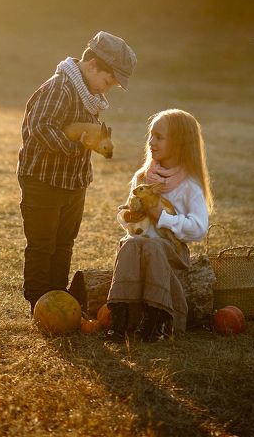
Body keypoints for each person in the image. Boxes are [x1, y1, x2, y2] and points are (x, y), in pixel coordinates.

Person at [17, 31, 137, 314]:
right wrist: (75, 148)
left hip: (73, 182)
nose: (106, 89)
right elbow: (41, 127)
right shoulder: (60, 88)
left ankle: (58, 297)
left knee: (64, 241)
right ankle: (39, 302)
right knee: (42, 243)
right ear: (93, 65)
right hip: (43, 180)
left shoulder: (89, 96)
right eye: (108, 81)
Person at [107, 108, 213, 341]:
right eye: (150, 135)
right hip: (142, 248)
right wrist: (128, 218)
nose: (151, 141)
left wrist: (161, 217)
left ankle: (159, 319)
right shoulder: (143, 177)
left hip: (171, 251)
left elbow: (198, 227)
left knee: (152, 246)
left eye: (159, 137)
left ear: (179, 143)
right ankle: (121, 318)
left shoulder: (189, 185)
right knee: (131, 243)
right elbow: (128, 213)